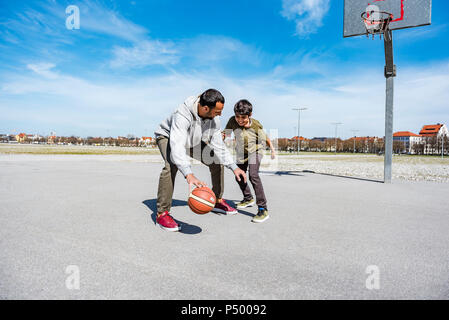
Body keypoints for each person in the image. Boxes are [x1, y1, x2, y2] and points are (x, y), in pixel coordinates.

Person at [154, 89, 247, 232]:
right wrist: (188, 174)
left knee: (216, 162)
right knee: (171, 165)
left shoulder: (214, 120)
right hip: (168, 136)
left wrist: (234, 167)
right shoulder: (182, 114)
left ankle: (216, 200)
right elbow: (177, 145)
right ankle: (162, 213)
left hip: (192, 141)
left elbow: (219, 146)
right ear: (205, 108)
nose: (220, 114)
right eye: (217, 111)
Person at [223, 99, 275, 223]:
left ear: (250, 115)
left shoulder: (256, 124)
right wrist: (221, 137)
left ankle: (263, 209)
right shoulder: (232, 121)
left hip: (255, 151)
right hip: (242, 153)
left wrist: (272, 150)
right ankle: (248, 198)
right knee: (239, 176)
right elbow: (226, 133)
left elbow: (266, 138)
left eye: (243, 118)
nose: (240, 120)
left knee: (253, 175)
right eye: (237, 117)